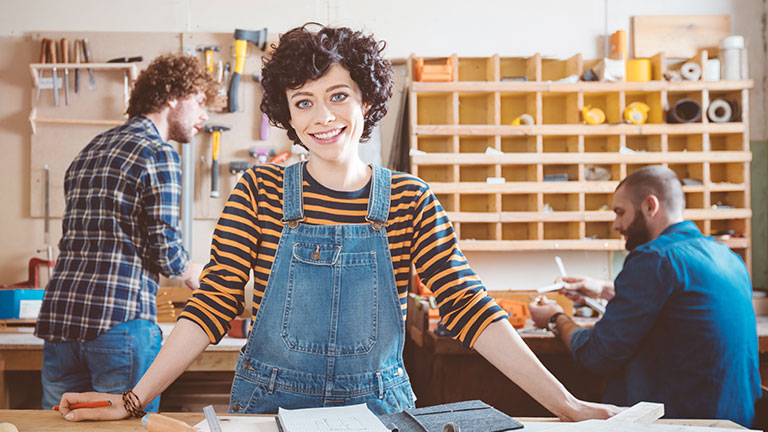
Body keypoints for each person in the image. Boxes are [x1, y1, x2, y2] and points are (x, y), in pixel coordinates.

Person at [56, 24, 619, 422]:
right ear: (285, 114)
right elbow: (213, 304)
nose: (322, 117)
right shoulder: (258, 191)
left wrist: (565, 406)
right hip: (269, 409)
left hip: (378, 412)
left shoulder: (410, 200)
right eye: (303, 102)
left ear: (367, 100)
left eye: (338, 95)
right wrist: (133, 399)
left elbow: (470, 307)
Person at [35, 53, 219, 411]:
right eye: (198, 102)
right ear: (171, 96)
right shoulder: (158, 152)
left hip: (60, 324)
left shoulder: (90, 150)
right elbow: (167, 252)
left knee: (57, 426)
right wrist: (194, 272)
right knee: (126, 426)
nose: (204, 115)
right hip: (120, 324)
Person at [529, 165, 760, 427]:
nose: (616, 224)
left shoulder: (653, 258)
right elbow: (678, 299)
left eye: (620, 212)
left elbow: (597, 354)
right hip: (738, 421)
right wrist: (601, 288)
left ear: (651, 206)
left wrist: (555, 318)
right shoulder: (727, 257)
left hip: (684, 423)